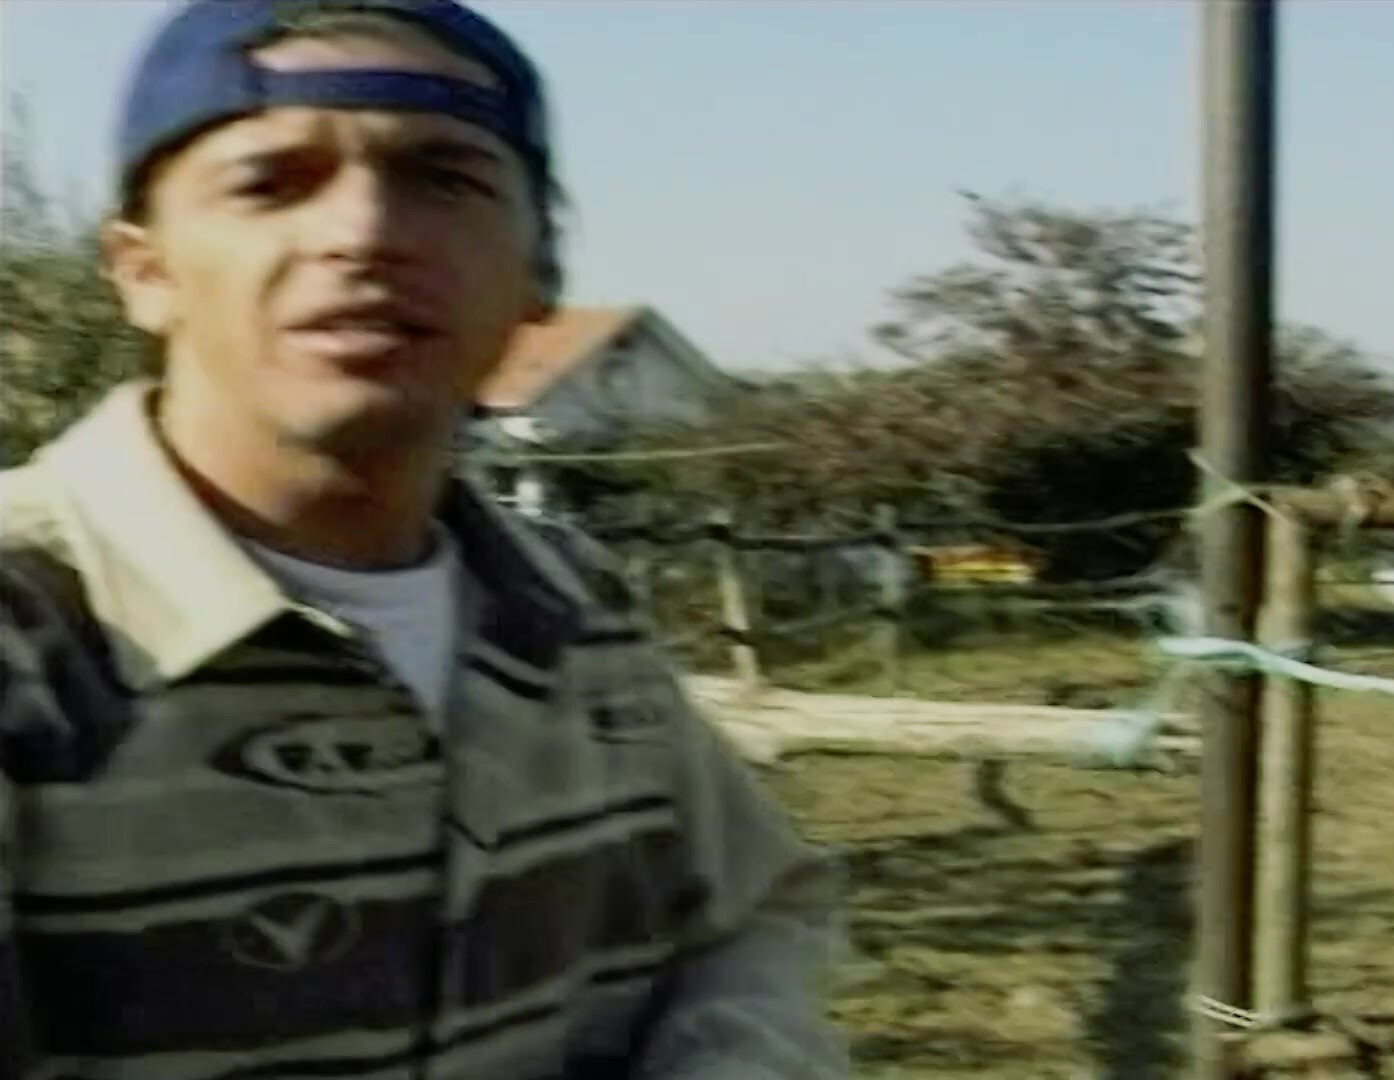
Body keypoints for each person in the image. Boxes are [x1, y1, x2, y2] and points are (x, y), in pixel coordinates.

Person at [0, 2, 850, 1077]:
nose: (364, 233)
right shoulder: (29, 634)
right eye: (270, 182)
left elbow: (754, 911)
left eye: (443, 179)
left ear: (540, 273)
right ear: (143, 272)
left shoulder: (569, 609)